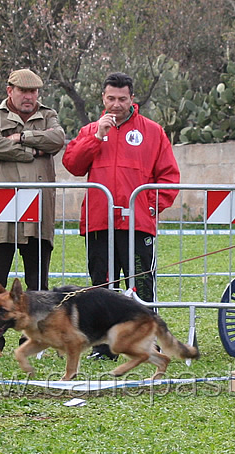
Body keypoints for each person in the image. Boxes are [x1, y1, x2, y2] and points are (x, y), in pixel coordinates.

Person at [62, 72, 180, 360]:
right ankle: (104, 347)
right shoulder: (90, 130)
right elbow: (73, 165)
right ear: (103, 98)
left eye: (122, 99)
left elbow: (169, 176)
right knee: (101, 288)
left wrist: (150, 205)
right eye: (111, 98)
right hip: (99, 223)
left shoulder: (152, 131)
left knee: (141, 286)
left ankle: (147, 341)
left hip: (137, 224)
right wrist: (97, 137)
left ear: (132, 99)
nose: (116, 104)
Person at [0, 68, 66, 358]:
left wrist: (20, 137)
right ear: (10, 91)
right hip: (0, 213)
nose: (29, 97)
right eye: (23, 91)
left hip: (39, 212)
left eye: (34, 92)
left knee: (38, 284)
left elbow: (56, 140)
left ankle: (35, 343)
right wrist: (32, 151)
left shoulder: (49, 114)